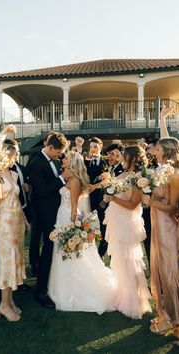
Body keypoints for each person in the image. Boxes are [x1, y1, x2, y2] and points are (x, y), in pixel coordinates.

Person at [48, 151, 117, 312]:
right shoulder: (70, 178)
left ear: (72, 162)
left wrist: (73, 228)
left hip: (67, 217)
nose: (63, 159)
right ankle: (66, 286)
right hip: (62, 215)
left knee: (70, 251)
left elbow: (74, 208)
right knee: (65, 253)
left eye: (65, 158)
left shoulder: (74, 181)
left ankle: (76, 291)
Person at [104, 146, 152, 319]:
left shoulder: (140, 179)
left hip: (127, 223)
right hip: (117, 221)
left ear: (132, 159)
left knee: (130, 260)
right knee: (119, 260)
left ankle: (133, 301)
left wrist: (113, 198)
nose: (121, 159)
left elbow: (133, 205)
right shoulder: (123, 174)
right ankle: (122, 293)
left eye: (124, 157)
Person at [27, 132, 72, 308]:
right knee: (47, 252)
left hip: (57, 213)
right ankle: (40, 292)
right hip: (44, 215)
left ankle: (51, 284)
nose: (60, 156)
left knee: (52, 251)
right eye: (58, 152)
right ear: (50, 147)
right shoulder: (36, 163)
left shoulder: (53, 160)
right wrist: (63, 178)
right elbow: (44, 190)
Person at [0, 143, 28, 322]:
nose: (16, 160)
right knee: (7, 262)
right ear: (4, 157)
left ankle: (9, 300)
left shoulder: (12, 173)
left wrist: (25, 220)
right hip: (4, 223)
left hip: (17, 222)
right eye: (13, 157)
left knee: (16, 260)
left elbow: (17, 199)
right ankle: (3, 305)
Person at [142, 137, 179, 337]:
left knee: (170, 272)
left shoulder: (174, 175)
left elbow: (173, 207)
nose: (153, 150)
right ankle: (167, 313)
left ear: (164, 150)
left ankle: (175, 320)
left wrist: (151, 202)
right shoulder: (160, 170)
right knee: (162, 272)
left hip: (168, 228)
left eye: (156, 147)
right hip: (157, 224)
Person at [89, 143, 124, 258]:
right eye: (109, 153)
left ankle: (101, 256)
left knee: (112, 234)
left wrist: (95, 186)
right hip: (103, 205)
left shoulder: (122, 168)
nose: (111, 156)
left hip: (117, 207)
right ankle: (103, 255)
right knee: (105, 232)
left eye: (114, 154)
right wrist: (99, 178)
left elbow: (111, 183)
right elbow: (96, 179)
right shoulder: (106, 166)